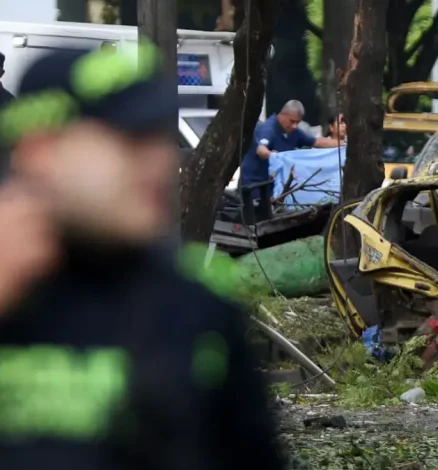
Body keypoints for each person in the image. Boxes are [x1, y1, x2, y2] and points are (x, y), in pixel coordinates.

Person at [0, 47, 284, 469]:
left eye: (160, 140)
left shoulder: (195, 307)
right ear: (42, 151)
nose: (163, 163)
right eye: (132, 141)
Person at [240, 100, 340, 198]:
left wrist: (343, 144)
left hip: (274, 185)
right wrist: (274, 156)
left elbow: (316, 142)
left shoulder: (293, 132)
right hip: (255, 185)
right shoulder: (269, 128)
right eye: (292, 121)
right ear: (283, 115)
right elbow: (261, 151)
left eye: (298, 122)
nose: (294, 126)